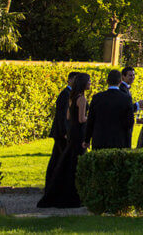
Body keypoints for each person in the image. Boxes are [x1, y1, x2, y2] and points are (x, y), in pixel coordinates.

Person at [38, 72, 90, 208]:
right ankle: (73, 194)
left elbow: (69, 116)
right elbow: (81, 119)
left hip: (72, 132)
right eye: (89, 81)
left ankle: (60, 192)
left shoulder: (72, 97)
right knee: (76, 162)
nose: (90, 84)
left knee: (67, 161)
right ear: (84, 83)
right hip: (79, 133)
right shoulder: (82, 99)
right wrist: (93, 119)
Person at [84, 69, 135, 150]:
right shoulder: (126, 98)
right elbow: (130, 122)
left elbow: (91, 120)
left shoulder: (97, 97)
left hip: (99, 139)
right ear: (120, 81)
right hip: (118, 140)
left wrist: (87, 139)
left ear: (107, 81)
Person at [43, 72, 76, 194]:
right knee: (59, 160)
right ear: (69, 80)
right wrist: (65, 132)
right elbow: (62, 116)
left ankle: (54, 187)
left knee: (57, 159)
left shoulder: (69, 94)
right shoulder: (66, 94)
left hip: (62, 132)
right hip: (61, 133)